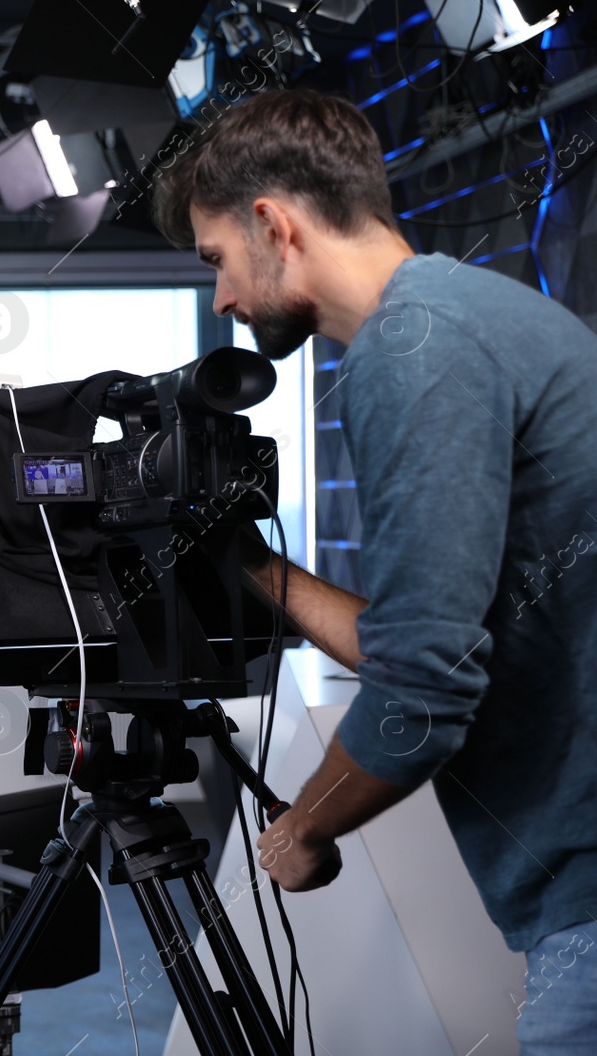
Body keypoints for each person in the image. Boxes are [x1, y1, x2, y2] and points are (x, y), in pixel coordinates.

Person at [154, 87, 597, 1050]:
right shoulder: (463, 315)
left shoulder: (413, 350)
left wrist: (302, 829)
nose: (221, 299)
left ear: (275, 224)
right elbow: (434, 638)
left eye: (216, 259)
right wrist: (251, 564)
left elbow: (423, 689)